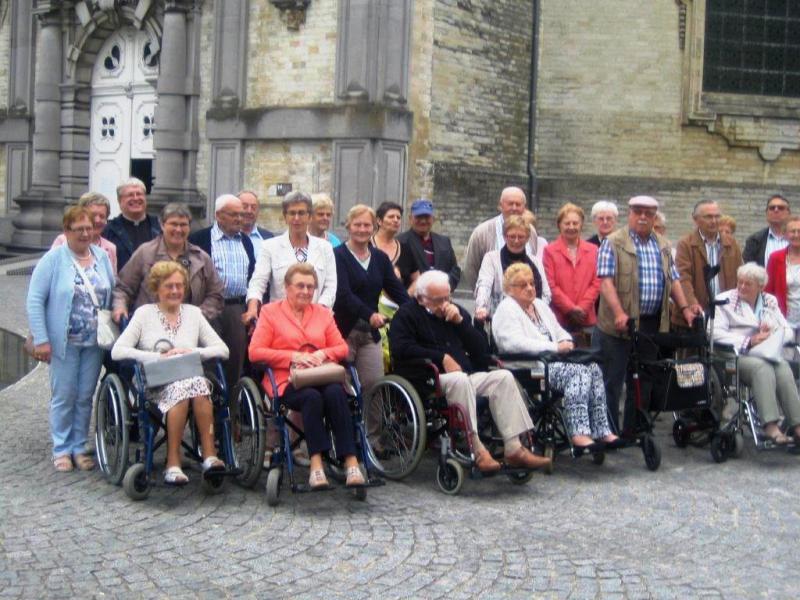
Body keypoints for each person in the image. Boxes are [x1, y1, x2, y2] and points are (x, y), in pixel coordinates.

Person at [389, 270, 551, 471]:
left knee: (503, 377)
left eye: (447, 297)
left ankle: (514, 447)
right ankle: (477, 448)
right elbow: (401, 348)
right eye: (438, 300)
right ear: (422, 299)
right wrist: (441, 357)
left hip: (465, 375)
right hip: (427, 379)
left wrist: (461, 323)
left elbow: (481, 349)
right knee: (459, 380)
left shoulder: (454, 312)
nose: (445, 304)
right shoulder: (406, 315)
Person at [248, 263, 366, 489]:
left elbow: (341, 348)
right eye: (300, 286)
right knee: (312, 397)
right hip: (287, 380)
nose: (305, 291)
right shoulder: (271, 312)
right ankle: (316, 464)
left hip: (322, 374)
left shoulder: (322, 313)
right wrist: (293, 357)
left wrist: (322, 353)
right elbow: (255, 352)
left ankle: (351, 461)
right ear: (287, 287)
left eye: (310, 287)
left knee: (335, 394)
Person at [112, 261, 230, 484]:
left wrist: (191, 351)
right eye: (169, 286)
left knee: (196, 386)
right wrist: (157, 356)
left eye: (179, 286)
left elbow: (222, 349)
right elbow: (118, 351)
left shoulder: (194, 313)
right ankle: (173, 461)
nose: (175, 291)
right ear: (156, 288)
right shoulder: (143, 314)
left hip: (190, 378)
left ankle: (209, 455)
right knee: (187, 388)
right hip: (154, 380)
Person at [593, 195, 702, 432]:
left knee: (643, 380)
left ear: (654, 217)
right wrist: (619, 313)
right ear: (630, 213)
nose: (643, 217)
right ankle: (608, 431)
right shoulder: (613, 242)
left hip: (651, 324)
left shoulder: (662, 245)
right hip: (618, 325)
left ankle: (635, 429)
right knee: (612, 380)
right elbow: (606, 283)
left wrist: (685, 309)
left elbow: (673, 280)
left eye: (649, 213)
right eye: (638, 212)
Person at [492, 264, 620, 450]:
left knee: (593, 369)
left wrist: (566, 342)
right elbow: (513, 344)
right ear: (509, 289)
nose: (529, 288)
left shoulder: (539, 305)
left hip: (552, 363)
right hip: (528, 369)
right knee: (578, 373)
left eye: (531, 283)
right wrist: (554, 347)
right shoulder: (506, 310)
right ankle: (579, 432)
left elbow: (559, 331)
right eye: (522, 285)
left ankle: (602, 429)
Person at [27, 206, 115, 472]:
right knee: (64, 395)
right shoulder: (54, 259)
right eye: (79, 229)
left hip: (94, 341)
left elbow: (111, 291)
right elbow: (34, 300)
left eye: (89, 228)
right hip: (63, 341)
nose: (86, 233)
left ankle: (79, 445)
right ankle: (61, 448)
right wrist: (41, 339)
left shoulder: (101, 256)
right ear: (66, 231)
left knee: (85, 395)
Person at [713, 263, 800, 445]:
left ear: (760, 286)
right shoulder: (725, 301)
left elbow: (788, 330)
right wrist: (749, 341)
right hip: (733, 355)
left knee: (783, 366)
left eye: (748, 284)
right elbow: (713, 332)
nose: (742, 287)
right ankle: (769, 425)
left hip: (763, 353)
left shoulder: (769, 301)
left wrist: (772, 333)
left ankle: (797, 424)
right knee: (763, 368)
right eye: (740, 282)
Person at [333, 205, 409, 395]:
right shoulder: (337, 255)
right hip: (343, 331)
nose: (362, 229)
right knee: (342, 384)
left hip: (369, 333)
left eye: (367, 225)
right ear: (348, 227)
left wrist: (413, 310)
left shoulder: (380, 258)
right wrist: (370, 315)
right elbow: (343, 294)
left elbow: (397, 290)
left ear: (374, 227)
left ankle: (372, 426)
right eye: (357, 225)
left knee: (374, 384)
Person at [188, 194, 256, 398]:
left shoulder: (245, 240)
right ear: (218, 215)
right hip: (208, 308)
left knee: (235, 363)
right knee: (208, 363)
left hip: (237, 309)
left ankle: (230, 416)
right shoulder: (199, 238)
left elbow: (252, 274)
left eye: (241, 214)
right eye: (234, 214)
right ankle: (207, 417)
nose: (239, 219)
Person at [113, 203, 224, 324]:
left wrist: (198, 316)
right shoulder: (145, 253)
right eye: (173, 224)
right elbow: (123, 288)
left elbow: (216, 294)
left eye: (183, 225)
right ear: (162, 225)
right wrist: (120, 307)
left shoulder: (201, 258)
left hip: (190, 330)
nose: (178, 229)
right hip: (150, 326)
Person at [243, 191, 337, 326]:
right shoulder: (269, 246)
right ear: (285, 217)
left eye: (301, 213)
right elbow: (258, 282)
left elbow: (330, 287)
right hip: (279, 321)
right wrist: (252, 308)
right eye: (292, 213)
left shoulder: (325, 248)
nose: (296, 218)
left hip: (316, 321)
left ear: (310, 216)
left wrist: (317, 313)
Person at [672, 200, 742, 330]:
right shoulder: (686, 244)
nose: (714, 221)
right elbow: (683, 277)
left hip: (725, 315)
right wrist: (692, 303)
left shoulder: (732, 244)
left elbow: (740, 276)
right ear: (695, 219)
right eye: (708, 217)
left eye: (717, 216)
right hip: (694, 316)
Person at [463, 186, 547, 287]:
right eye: (510, 204)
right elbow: (471, 269)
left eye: (518, 204)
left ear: (524, 207)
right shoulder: (481, 232)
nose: (514, 208)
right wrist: (483, 293)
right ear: (500, 205)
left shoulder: (531, 231)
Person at [474, 215, 551, 321]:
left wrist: (536, 312)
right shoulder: (491, 258)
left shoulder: (536, 262)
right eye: (512, 236)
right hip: (501, 320)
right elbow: (484, 285)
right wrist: (481, 307)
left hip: (532, 321)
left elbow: (546, 294)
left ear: (528, 238)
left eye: (521, 237)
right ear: (505, 236)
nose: (516, 241)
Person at [542, 203, 601, 340]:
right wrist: (570, 309)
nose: (571, 227)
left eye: (575, 223)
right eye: (567, 223)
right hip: (559, 319)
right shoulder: (549, 251)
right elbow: (550, 284)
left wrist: (582, 308)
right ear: (559, 225)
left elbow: (597, 282)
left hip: (586, 319)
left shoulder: (593, 250)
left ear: (581, 225)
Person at [396, 199, 461, 294]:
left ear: (433, 219)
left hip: (441, 298)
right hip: (413, 300)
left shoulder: (444, 241)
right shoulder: (400, 242)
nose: (423, 221)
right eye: (419, 217)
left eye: (426, 217)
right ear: (410, 218)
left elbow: (455, 270)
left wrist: (443, 287)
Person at [370, 201, 406, 369]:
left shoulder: (405, 248)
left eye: (398, 217)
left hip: (398, 303)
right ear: (379, 221)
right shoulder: (367, 245)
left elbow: (416, 278)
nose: (396, 220)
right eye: (391, 216)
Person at [102, 177, 161, 270]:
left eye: (139, 194)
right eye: (130, 195)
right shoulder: (109, 230)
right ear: (120, 200)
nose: (136, 198)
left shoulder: (159, 227)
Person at [52, 191, 118, 273]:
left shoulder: (110, 248)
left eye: (102, 216)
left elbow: (112, 281)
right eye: (93, 215)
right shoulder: (63, 241)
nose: (97, 220)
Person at [765, 215, 800, 335]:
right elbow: (768, 291)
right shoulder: (776, 257)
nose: (796, 235)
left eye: (799, 231)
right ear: (785, 234)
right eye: (792, 231)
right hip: (783, 320)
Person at [742, 194, 791, 267]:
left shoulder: (796, 239)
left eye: (781, 208)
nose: (776, 210)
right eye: (772, 208)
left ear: (788, 213)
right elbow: (748, 270)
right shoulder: (754, 241)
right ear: (766, 213)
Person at [238, 190, 273, 256]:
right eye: (244, 207)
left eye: (253, 207)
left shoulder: (268, 237)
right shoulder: (226, 236)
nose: (249, 211)